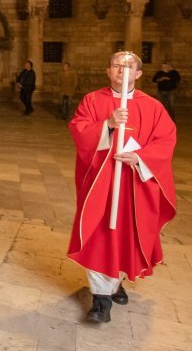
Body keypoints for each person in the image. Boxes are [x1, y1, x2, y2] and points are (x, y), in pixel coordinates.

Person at [67, 51, 176, 323]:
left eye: (128, 67)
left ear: (138, 74)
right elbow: (79, 130)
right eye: (116, 65)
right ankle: (100, 300)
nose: (121, 70)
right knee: (99, 234)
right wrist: (108, 125)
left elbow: (166, 140)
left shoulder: (152, 106)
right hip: (101, 182)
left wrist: (141, 158)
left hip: (135, 183)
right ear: (108, 71)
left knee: (128, 233)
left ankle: (116, 281)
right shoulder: (93, 100)